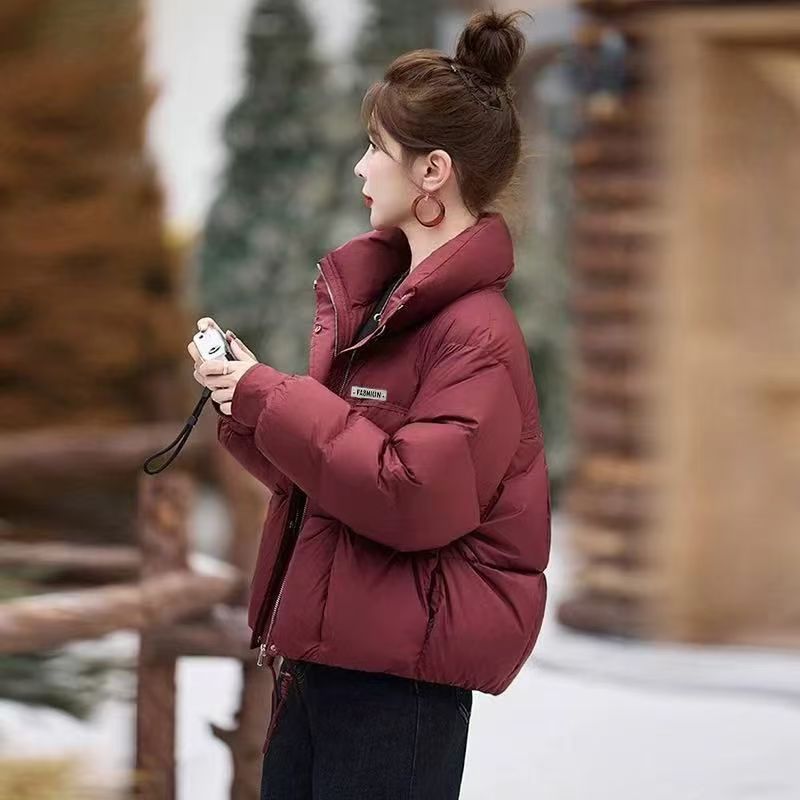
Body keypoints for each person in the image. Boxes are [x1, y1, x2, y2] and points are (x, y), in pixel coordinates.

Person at [188, 8, 550, 799]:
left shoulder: (474, 333)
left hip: (397, 690)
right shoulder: (389, 308)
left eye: (378, 149)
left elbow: (412, 496)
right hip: (326, 664)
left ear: (433, 171)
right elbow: (339, 480)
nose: (360, 167)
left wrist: (274, 396)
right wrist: (247, 403)